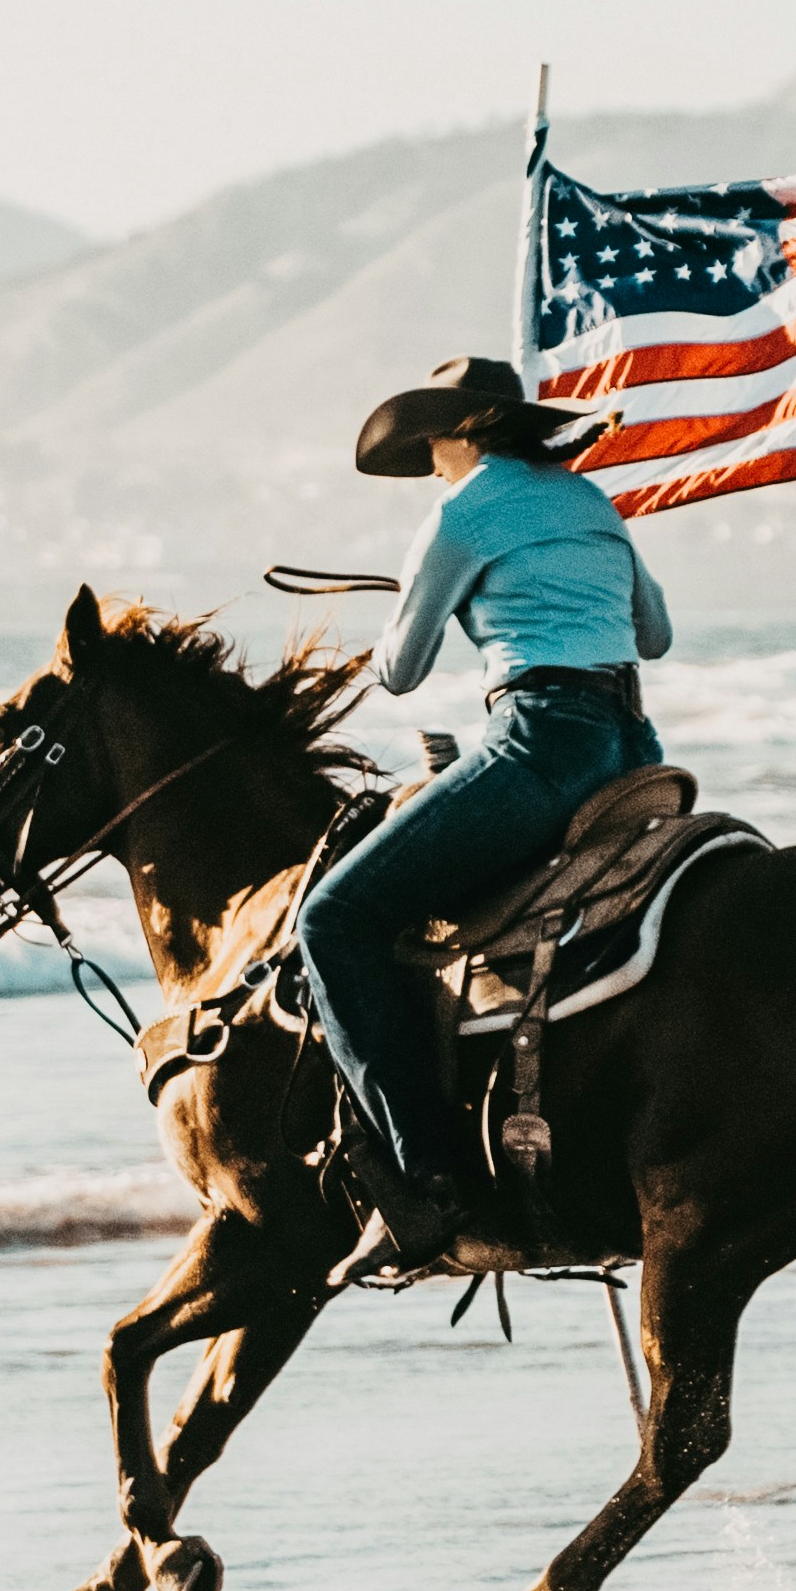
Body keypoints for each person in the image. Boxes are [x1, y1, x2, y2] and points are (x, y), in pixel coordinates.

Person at [296, 349, 676, 1268]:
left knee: (334, 920)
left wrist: (425, 606)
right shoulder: (591, 501)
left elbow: (400, 672)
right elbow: (654, 636)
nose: (427, 451)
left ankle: (425, 1177)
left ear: (464, 430)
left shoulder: (458, 515)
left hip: (542, 741)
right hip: (633, 745)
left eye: (434, 433)